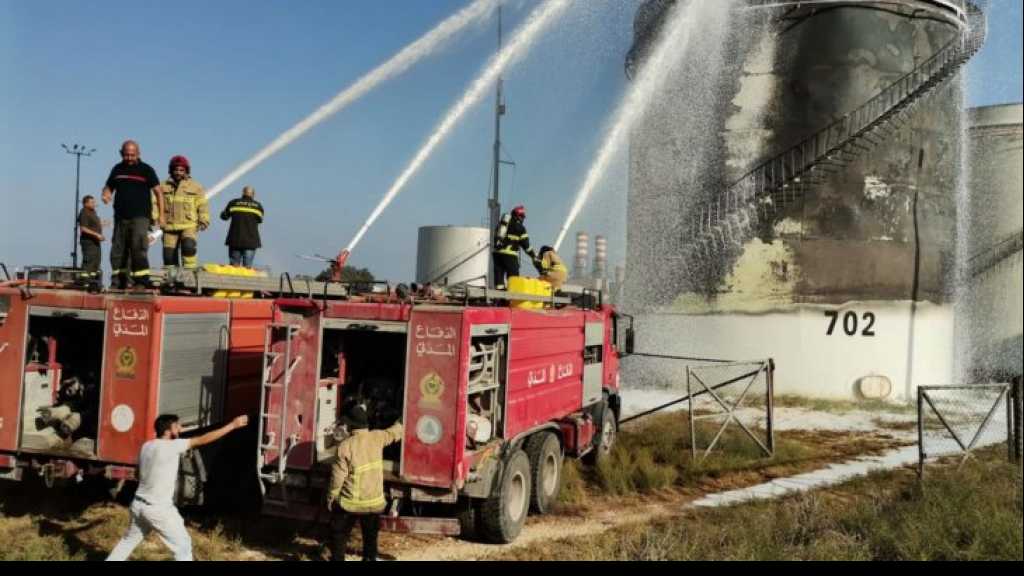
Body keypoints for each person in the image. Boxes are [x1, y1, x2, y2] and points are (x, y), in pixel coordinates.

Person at [106, 414, 249, 562]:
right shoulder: (173, 446)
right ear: (168, 430)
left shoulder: (146, 446)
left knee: (127, 542)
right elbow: (203, 439)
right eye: (177, 426)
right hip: (158, 509)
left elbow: (137, 473)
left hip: (138, 505)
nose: (180, 428)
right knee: (183, 546)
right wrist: (233, 425)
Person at [326, 404, 403, 562]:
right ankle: (369, 558)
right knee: (370, 536)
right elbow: (394, 432)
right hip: (374, 502)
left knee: (339, 533)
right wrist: (404, 418)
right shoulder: (377, 437)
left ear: (350, 426)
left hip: (350, 503)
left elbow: (337, 478)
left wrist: (331, 497)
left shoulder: (345, 447)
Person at [102, 140, 164, 289]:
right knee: (118, 249)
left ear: (138, 154)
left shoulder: (146, 170)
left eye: (132, 155)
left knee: (138, 247)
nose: (129, 158)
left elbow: (158, 192)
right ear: (121, 153)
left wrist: (162, 215)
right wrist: (106, 193)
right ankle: (118, 281)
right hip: (120, 217)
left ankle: (141, 281)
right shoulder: (117, 169)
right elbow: (108, 186)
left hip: (140, 216)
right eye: (126, 155)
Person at [160, 156, 209, 269]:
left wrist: (204, 219)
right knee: (168, 256)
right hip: (169, 226)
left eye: (181, 170)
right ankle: (171, 281)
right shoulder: (162, 186)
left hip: (189, 225)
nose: (178, 172)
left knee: (189, 247)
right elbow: (155, 203)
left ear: (186, 170)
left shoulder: (196, 186)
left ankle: (189, 274)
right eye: (176, 169)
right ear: (171, 170)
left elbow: (202, 204)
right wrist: (155, 218)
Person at [493, 205, 536, 290]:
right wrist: (533, 256)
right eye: (522, 216)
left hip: (497, 254)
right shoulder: (520, 228)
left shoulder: (502, 224)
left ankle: (499, 298)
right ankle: (511, 298)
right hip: (510, 255)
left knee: (499, 278)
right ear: (518, 216)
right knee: (513, 279)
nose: (523, 219)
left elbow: (496, 237)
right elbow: (526, 246)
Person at [220, 186, 264, 268]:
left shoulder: (233, 203)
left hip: (235, 240)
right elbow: (260, 220)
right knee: (247, 268)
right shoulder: (258, 206)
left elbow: (224, 217)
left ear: (243, 192)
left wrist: (223, 213)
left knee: (234, 267)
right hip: (251, 241)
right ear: (253, 195)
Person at [77, 195, 104, 288]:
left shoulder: (93, 212)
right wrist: (96, 235)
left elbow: (94, 224)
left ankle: (92, 281)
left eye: (94, 202)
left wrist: (103, 224)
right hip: (89, 242)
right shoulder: (84, 212)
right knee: (89, 261)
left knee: (96, 262)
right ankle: (85, 282)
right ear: (86, 203)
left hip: (96, 242)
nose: (94, 204)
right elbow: (83, 228)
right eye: (92, 202)